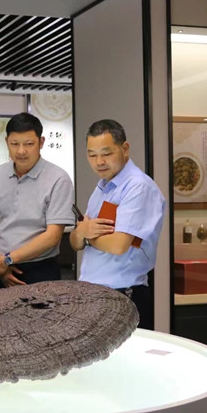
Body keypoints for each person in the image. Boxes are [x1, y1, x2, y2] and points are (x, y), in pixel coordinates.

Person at [69, 119, 165, 330]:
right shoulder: (103, 187)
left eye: (106, 153)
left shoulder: (138, 187)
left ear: (125, 149)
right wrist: (82, 233)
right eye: (92, 155)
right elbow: (75, 241)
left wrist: (86, 236)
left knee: (128, 352)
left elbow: (118, 245)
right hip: (94, 292)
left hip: (124, 295)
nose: (99, 161)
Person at [0, 112, 74, 289]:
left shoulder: (58, 179)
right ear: (7, 142)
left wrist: (7, 259)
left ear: (41, 142)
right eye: (14, 144)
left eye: (29, 144)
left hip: (41, 269)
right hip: (1, 269)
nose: (21, 151)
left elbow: (53, 236)